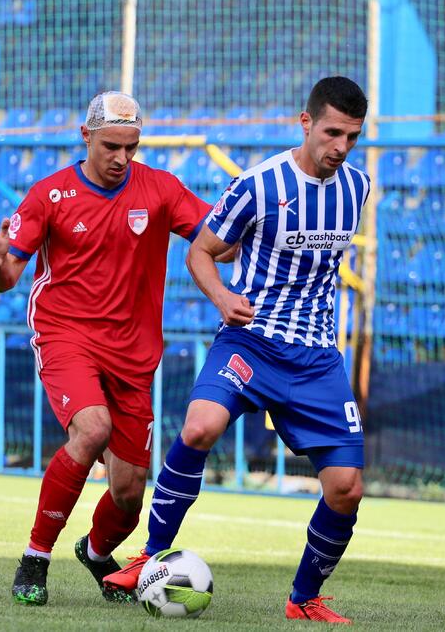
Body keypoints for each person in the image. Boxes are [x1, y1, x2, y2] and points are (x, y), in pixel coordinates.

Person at [102, 76, 370, 624]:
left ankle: (303, 600)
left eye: (352, 137)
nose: (339, 148)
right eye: (332, 132)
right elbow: (202, 251)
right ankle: (149, 556)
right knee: (199, 426)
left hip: (317, 356)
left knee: (346, 490)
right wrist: (223, 297)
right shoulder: (258, 185)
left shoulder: (358, 188)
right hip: (250, 340)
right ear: (306, 122)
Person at [0, 91, 213, 606]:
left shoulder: (161, 189)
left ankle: (98, 552)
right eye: (111, 146)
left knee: (129, 496)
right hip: (66, 335)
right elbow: (7, 277)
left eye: (132, 146)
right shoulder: (50, 195)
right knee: (92, 428)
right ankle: (35, 560)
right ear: (86, 137)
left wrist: (246, 225)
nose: (122, 158)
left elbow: (218, 238)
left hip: (134, 354)